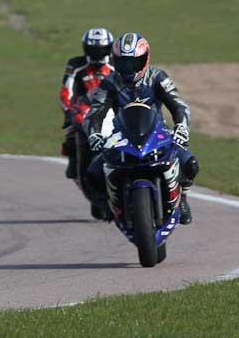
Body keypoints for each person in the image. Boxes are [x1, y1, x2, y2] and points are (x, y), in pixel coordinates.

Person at [84, 33, 198, 224]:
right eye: (122, 63)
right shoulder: (110, 82)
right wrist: (93, 133)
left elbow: (179, 106)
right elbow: (95, 112)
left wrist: (181, 128)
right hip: (120, 136)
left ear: (145, 59)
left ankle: (183, 197)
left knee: (190, 164)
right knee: (92, 174)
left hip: (158, 133)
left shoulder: (157, 77)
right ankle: (109, 204)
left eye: (134, 63)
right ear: (114, 61)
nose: (128, 69)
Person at [58, 28, 114, 179]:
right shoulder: (76, 64)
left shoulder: (117, 64)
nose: (98, 55)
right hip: (84, 110)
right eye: (93, 50)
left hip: (114, 109)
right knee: (71, 138)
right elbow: (66, 91)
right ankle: (77, 168)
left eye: (102, 50)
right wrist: (69, 111)